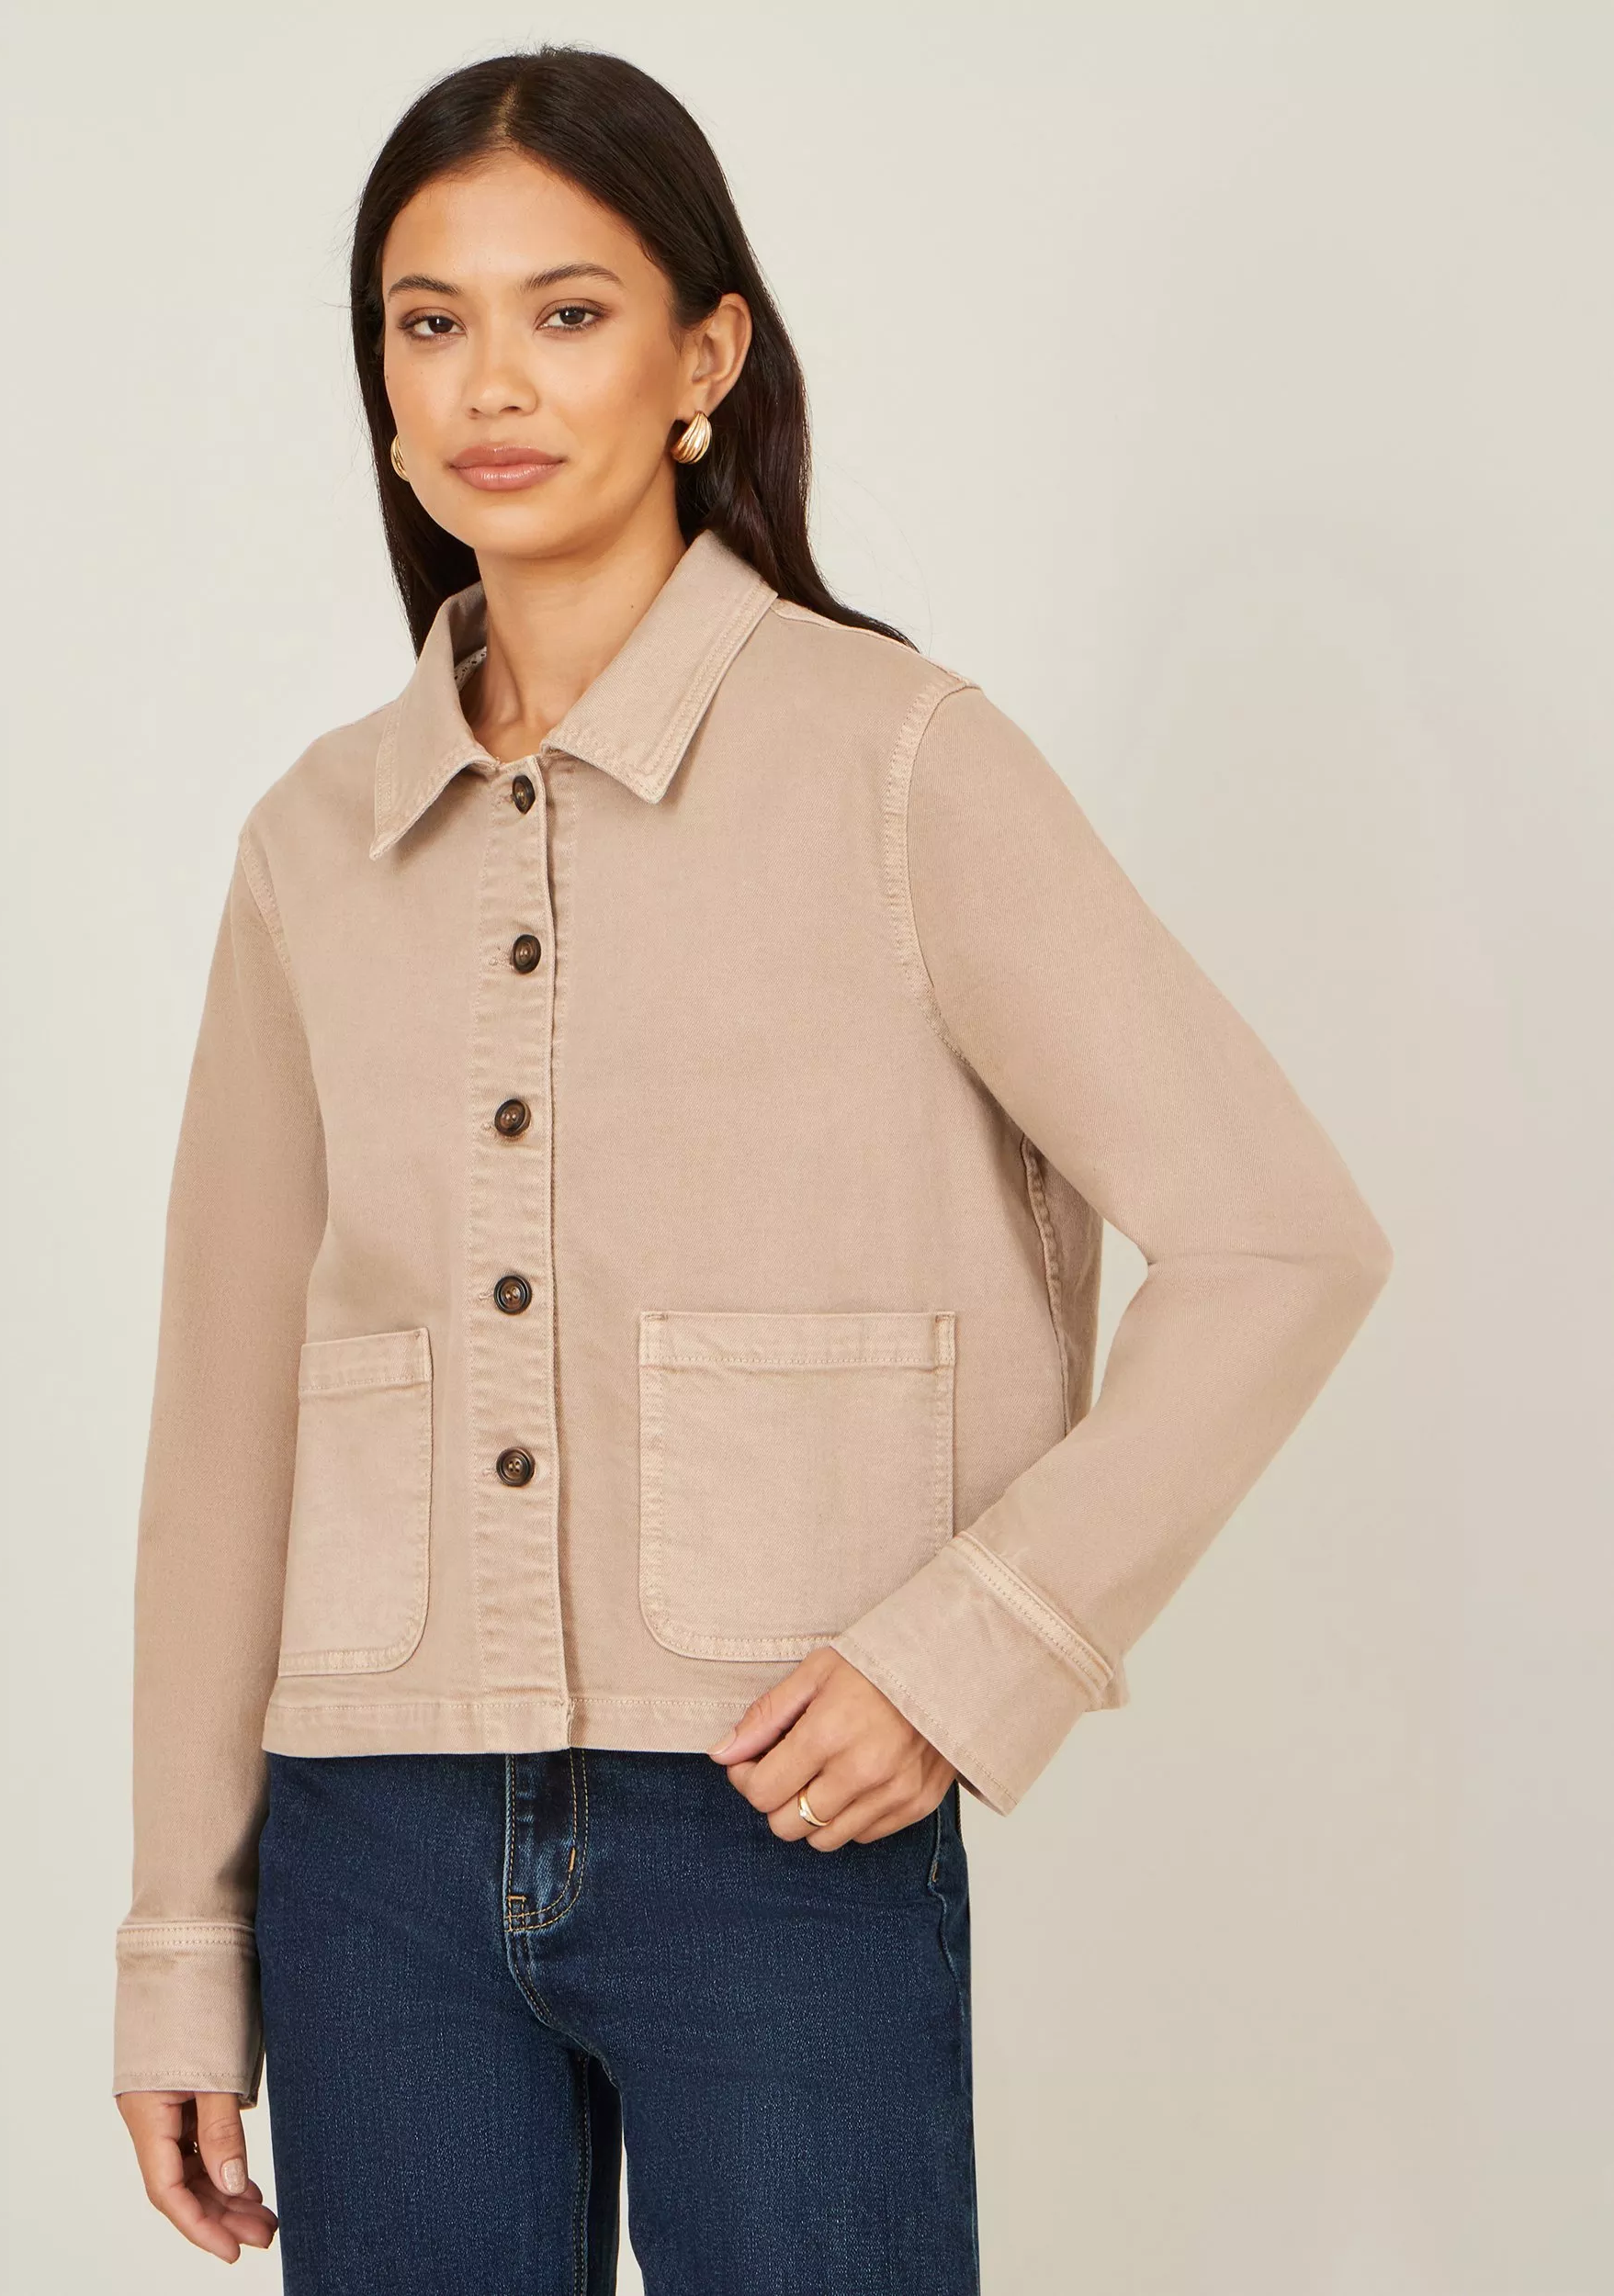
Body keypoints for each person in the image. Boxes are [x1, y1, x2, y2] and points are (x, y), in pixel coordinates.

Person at [110, 43, 1393, 2295]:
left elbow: (1277, 1235)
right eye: (430, 320)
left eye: (569, 310)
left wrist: (970, 1648)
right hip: (367, 1850)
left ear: (704, 356)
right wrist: (178, 1940)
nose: (492, 381)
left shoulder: (898, 762)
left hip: (776, 1815)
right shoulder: (312, 842)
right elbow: (225, 1419)